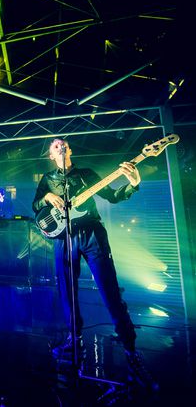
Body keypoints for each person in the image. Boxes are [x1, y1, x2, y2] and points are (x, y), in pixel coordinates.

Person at [32, 138, 159, 392]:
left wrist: (133, 183)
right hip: (64, 238)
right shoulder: (47, 179)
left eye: (64, 143)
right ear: (50, 154)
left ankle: (131, 351)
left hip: (92, 235)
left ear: (71, 150)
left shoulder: (87, 174)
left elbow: (111, 196)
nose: (61, 146)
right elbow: (36, 207)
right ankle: (74, 339)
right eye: (56, 145)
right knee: (68, 294)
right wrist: (47, 196)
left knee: (110, 292)